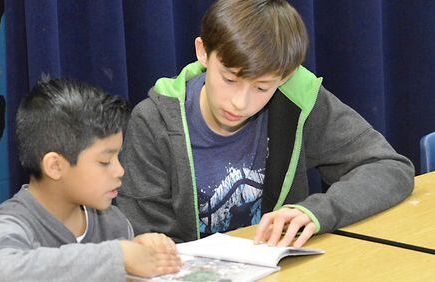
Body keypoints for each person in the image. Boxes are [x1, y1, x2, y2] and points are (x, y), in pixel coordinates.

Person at [117, 0, 414, 247]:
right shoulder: (154, 121)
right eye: (230, 79)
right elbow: (143, 234)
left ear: (284, 76)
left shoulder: (297, 99)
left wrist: (315, 212)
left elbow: (388, 166)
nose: (240, 103)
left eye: (261, 88)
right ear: (203, 52)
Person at [0, 76, 182, 281]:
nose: (120, 171)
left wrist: (139, 251)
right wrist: (120, 255)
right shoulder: (9, 224)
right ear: (55, 166)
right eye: (104, 161)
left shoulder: (113, 223)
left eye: (117, 157)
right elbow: (2, 272)